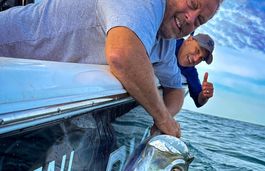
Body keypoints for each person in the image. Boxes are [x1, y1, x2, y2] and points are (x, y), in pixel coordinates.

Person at [0, 0, 223, 137]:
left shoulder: (165, 44)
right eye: (192, 4)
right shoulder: (143, 3)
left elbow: (175, 90)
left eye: (200, 20)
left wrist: (164, 119)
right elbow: (123, 55)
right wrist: (163, 119)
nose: (190, 18)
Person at [176, 33, 215, 108]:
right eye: (197, 50)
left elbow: (198, 100)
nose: (196, 59)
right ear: (189, 40)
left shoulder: (190, 71)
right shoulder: (169, 41)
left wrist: (204, 95)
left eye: (201, 58)